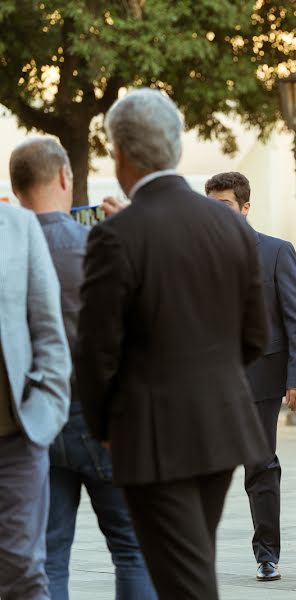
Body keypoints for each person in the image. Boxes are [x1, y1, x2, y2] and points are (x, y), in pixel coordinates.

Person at [75, 89, 269, 599]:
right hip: (223, 423)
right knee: (189, 565)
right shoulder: (231, 227)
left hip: (152, 434)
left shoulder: (117, 234)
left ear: (119, 154)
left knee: (183, 582)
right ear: (177, 148)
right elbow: (255, 336)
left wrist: (104, 425)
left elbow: (96, 351)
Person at [11, 137, 155, 599]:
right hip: (104, 415)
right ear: (63, 177)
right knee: (132, 549)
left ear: (16, 191)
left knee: (47, 555)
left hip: (31, 417)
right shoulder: (99, 242)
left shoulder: (8, 251)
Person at [205, 171, 296, 583]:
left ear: (245, 207)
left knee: (260, 466)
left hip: (261, 378)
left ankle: (267, 554)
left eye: (225, 205)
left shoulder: (276, 252)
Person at [0, 196, 70, 600]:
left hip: (14, 436)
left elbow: (49, 330)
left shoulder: (19, 225)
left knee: (23, 574)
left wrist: (46, 410)